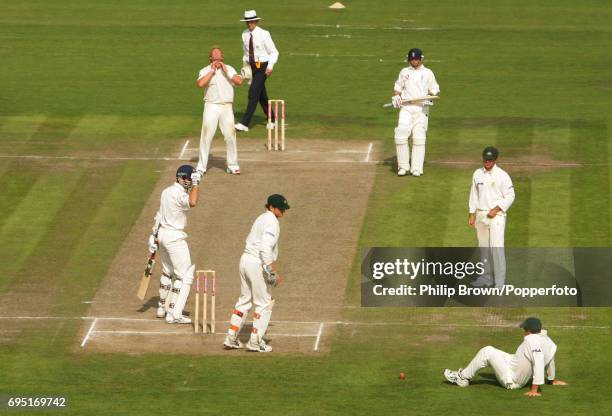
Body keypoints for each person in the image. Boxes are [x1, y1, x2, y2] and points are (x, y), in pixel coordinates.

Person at [223, 194, 290, 352]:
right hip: (257, 264)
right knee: (264, 303)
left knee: (244, 300)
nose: (283, 212)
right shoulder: (272, 222)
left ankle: (231, 338)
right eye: (280, 209)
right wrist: (271, 271)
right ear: (271, 207)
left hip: (245, 260)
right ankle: (255, 342)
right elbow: (265, 248)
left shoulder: (261, 218)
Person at [444, 317, 568, 396]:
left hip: (512, 380)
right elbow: (551, 356)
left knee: (487, 351)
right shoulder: (545, 338)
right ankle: (464, 376)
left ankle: (462, 378)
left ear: (529, 331)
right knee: (492, 350)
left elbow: (539, 362)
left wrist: (534, 390)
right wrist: (552, 379)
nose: (523, 332)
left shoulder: (532, 341)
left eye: (524, 329)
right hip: (512, 361)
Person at [148, 165, 201, 324]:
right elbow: (193, 202)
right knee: (184, 275)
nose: (189, 182)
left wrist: (153, 235)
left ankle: (161, 308)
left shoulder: (165, 191)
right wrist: (197, 185)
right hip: (174, 237)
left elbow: (159, 215)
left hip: (162, 235)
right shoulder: (178, 194)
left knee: (167, 271)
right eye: (189, 179)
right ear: (181, 177)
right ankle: (174, 313)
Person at [468, 146, 515, 289]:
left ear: (495, 160)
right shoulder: (477, 174)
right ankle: (486, 278)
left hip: (496, 217)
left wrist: (496, 209)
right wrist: (471, 213)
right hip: (481, 215)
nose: (487, 162)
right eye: (485, 159)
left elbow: (511, 196)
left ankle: (499, 284)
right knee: (483, 248)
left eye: (490, 160)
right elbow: (474, 194)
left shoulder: (502, 175)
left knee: (497, 249)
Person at [392, 48, 440, 177]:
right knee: (401, 134)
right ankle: (403, 167)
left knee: (419, 137)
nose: (415, 61)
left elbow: (434, 89)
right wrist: (396, 97)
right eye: (412, 59)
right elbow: (397, 88)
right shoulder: (404, 72)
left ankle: (417, 168)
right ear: (409, 59)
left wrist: (429, 97)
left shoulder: (428, 73)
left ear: (421, 58)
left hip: (421, 108)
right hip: (406, 107)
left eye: (417, 59)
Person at [196, 47, 243, 175]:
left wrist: (226, 71)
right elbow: (200, 84)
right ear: (210, 57)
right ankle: (201, 166)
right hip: (211, 105)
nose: (216, 54)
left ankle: (232, 165)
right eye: (214, 53)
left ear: (222, 57)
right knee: (206, 136)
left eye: (219, 52)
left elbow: (239, 82)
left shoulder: (230, 68)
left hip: (226, 106)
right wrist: (212, 71)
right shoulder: (205, 70)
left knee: (230, 136)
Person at [234, 10, 279, 132]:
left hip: (263, 67)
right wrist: (245, 67)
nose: (250, 24)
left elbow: (274, 52)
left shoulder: (264, 34)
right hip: (251, 67)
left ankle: (244, 123)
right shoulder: (244, 34)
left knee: (253, 92)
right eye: (248, 22)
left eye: (252, 21)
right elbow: (246, 52)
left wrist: (270, 67)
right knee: (261, 96)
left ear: (256, 21)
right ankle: (273, 119)